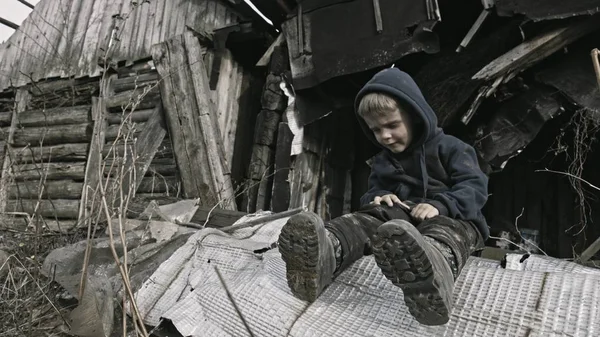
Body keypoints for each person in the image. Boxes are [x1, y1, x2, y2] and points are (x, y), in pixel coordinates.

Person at [277, 68, 488, 326]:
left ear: (415, 116)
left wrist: (441, 205)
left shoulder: (452, 148)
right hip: (403, 220)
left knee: (449, 230)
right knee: (370, 218)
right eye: (376, 130)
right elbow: (373, 192)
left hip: (453, 217)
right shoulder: (383, 161)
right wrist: (379, 197)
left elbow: (475, 187)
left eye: (392, 125)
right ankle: (327, 250)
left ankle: (435, 272)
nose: (384, 136)